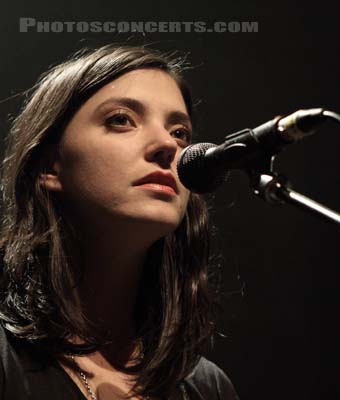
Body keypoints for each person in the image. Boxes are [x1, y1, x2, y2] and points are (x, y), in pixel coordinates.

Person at [0, 44, 239, 400]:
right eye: (121, 119)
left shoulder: (206, 388)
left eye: (179, 133)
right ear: (50, 165)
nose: (168, 147)